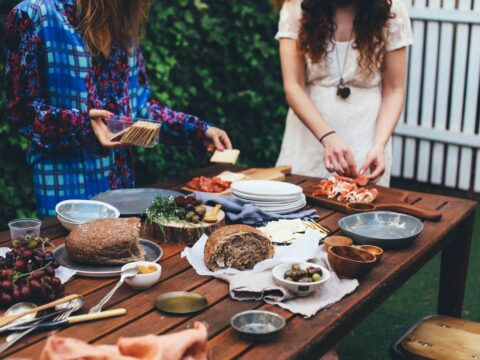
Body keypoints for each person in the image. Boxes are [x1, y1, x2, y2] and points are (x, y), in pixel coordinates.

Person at [5, 0, 232, 217]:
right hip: (68, 191)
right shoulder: (33, 14)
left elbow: (139, 108)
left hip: (124, 191)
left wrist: (197, 130)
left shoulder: (123, 24)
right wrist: (82, 125)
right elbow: (21, 112)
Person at [274, 0, 413, 186]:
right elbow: (293, 86)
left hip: (367, 133)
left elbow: (394, 90)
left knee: (362, 206)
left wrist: (379, 145)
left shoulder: (392, 10)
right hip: (308, 135)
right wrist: (327, 137)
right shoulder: (296, 8)